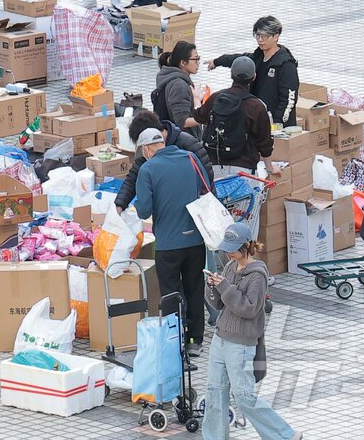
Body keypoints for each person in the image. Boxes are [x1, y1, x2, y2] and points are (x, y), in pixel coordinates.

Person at [202, 223, 303, 440]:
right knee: (214, 392)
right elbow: (218, 305)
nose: (229, 252)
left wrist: (225, 288)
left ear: (247, 245)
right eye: (227, 247)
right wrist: (211, 286)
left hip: (241, 344)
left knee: (244, 397)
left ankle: (286, 435)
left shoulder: (258, 275)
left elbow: (249, 308)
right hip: (220, 338)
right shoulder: (230, 267)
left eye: (233, 248)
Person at [135, 126, 213, 357]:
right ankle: (194, 340)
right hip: (195, 240)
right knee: (194, 288)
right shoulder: (190, 158)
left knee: (170, 293)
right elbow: (206, 188)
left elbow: (144, 209)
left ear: (148, 149)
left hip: (168, 244)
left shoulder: (148, 169)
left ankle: (174, 339)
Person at [115, 110, 213, 214]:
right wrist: (120, 204)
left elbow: (207, 177)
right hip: (167, 210)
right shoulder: (148, 151)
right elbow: (133, 177)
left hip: (195, 208)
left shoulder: (187, 144)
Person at [209, 15, 299, 128]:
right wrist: (217, 61)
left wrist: (277, 123)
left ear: (276, 36)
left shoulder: (285, 65)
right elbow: (239, 59)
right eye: (258, 35)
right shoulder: (258, 57)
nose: (260, 40)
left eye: (265, 36)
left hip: (278, 127)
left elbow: (289, 100)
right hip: (257, 119)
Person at [194, 56, 273, 178]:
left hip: (214, 165)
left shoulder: (216, 98)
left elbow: (199, 116)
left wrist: (196, 100)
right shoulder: (256, 106)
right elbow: (264, 143)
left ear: (231, 75)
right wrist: (270, 168)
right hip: (244, 169)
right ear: (254, 77)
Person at [155, 40, 202, 134]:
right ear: (183, 63)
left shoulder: (173, 79)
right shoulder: (179, 86)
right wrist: (203, 116)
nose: (198, 63)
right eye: (195, 59)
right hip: (183, 143)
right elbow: (182, 121)